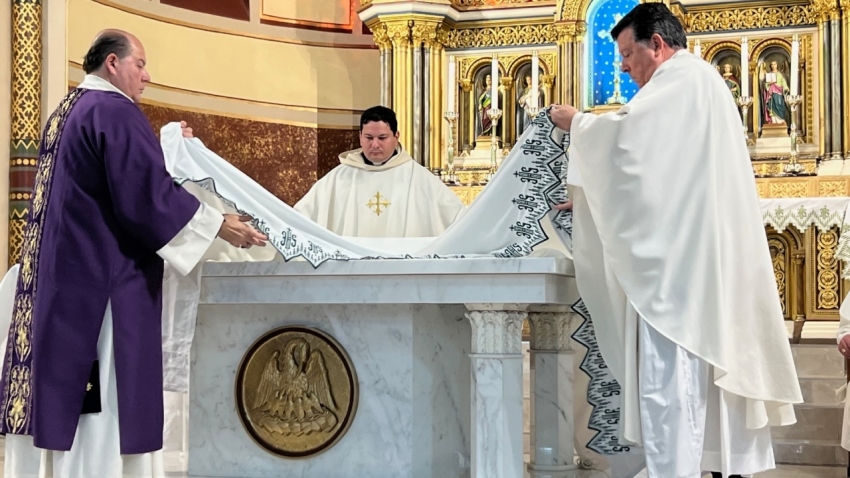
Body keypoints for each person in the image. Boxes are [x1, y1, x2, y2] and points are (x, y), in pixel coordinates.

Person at [0, 29, 267, 477]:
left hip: (68, 285)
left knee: (74, 403)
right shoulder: (113, 111)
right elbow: (143, 194)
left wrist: (163, 144)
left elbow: (110, 180)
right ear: (112, 64)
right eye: (140, 64)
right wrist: (218, 225)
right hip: (103, 290)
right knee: (102, 405)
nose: (147, 75)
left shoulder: (70, 110)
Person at [549, 4, 802, 477]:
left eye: (627, 54)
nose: (623, 66)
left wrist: (576, 122)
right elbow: (659, 176)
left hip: (678, 271)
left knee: (669, 377)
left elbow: (627, 145)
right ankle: (698, 466)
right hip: (695, 255)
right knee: (694, 374)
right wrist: (586, 201)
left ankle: (674, 470)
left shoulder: (679, 82)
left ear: (658, 45)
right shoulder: (700, 82)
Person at [294, 106, 463, 237]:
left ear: (396, 137)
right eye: (369, 138)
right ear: (360, 137)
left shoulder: (419, 178)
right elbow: (298, 219)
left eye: (382, 138)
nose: (375, 144)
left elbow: (457, 219)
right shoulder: (338, 179)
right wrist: (270, 234)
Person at [758, 60, 789, 125]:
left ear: (777, 65)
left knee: (779, 105)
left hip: (778, 93)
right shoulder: (769, 74)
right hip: (771, 94)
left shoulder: (780, 74)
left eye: (774, 64)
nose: (773, 66)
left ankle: (781, 120)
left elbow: (783, 82)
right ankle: (773, 121)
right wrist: (769, 83)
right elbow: (765, 85)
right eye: (772, 64)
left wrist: (786, 88)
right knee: (771, 107)